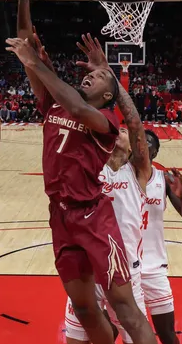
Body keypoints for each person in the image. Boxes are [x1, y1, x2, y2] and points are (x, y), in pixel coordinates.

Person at [7, 0, 156, 344]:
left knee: (126, 309)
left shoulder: (104, 123)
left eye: (99, 77)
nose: (90, 77)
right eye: (89, 74)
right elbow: (25, 40)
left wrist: (37, 65)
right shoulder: (54, 101)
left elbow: (75, 102)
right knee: (86, 309)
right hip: (60, 216)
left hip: (94, 217)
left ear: (110, 94)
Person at [64, 34, 153, 344]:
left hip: (126, 275)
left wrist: (113, 81)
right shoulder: (91, 165)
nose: (118, 135)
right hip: (89, 270)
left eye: (124, 133)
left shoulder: (138, 170)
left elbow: (135, 124)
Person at [141, 130, 182, 344]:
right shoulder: (117, 174)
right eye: (140, 140)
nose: (145, 144)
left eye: (150, 142)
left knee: (167, 334)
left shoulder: (163, 179)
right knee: (113, 331)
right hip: (123, 268)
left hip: (154, 267)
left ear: (156, 151)